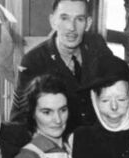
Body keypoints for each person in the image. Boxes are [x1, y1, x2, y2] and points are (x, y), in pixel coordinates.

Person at [10, 0, 113, 132]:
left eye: (79, 19)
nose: (71, 27)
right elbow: (20, 121)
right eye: (64, 18)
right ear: (53, 21)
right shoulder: (33, 61)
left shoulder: (97, 47)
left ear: (88, 23)